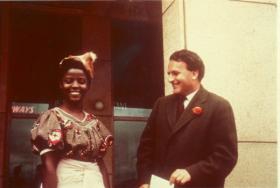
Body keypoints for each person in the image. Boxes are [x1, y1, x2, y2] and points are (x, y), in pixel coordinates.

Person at [137, 49, 238, 188]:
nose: (170, 79)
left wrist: (192, 172)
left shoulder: (219, 106)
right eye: (169, 74)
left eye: (175, 73)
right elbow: (146, 148)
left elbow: (226, 156)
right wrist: (144, 181)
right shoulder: (161, 104)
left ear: (194, 73)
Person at [31, 52, 113, 188]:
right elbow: (48, 166)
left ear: (88, 85)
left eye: (81, 81)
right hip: (64, 180)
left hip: (94, 181)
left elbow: (100, 163)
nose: (75, 86)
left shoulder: (94, 122)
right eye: (68, 81)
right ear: (61, 84)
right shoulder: (52, 117)